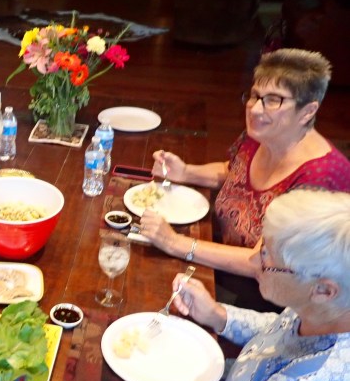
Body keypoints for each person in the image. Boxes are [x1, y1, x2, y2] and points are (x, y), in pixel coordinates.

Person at [169, 190, 350, 381]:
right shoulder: (325, 311)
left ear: (323, 290)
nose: (255, 260)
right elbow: (282, 330)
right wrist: (218, 315)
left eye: (267, 257)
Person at [140, 48, 350, 311]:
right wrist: (186, 172)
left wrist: (175, 243)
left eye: (273, 100)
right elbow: (234, 170)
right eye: (254, 95)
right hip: (219, 263)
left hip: (265, 301)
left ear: (308, 111)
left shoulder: (321, 177)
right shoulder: (260, 134)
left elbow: (262, 263)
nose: (255, 109)